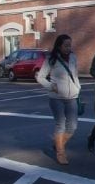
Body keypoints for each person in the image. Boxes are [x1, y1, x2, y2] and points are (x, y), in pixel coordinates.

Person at [35, 34, 81, 165]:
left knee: (72, 126)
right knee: (60, 124)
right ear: (59, 46)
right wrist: (50, 86)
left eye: (69, 45)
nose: (68, 48)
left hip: (72, 97)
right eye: (66, 45)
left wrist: (78, 88)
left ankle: (58, 142)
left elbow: (75, 74)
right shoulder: (51, 59)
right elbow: (41, 77)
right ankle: (61, 153)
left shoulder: (73, 57)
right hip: (56, 98)